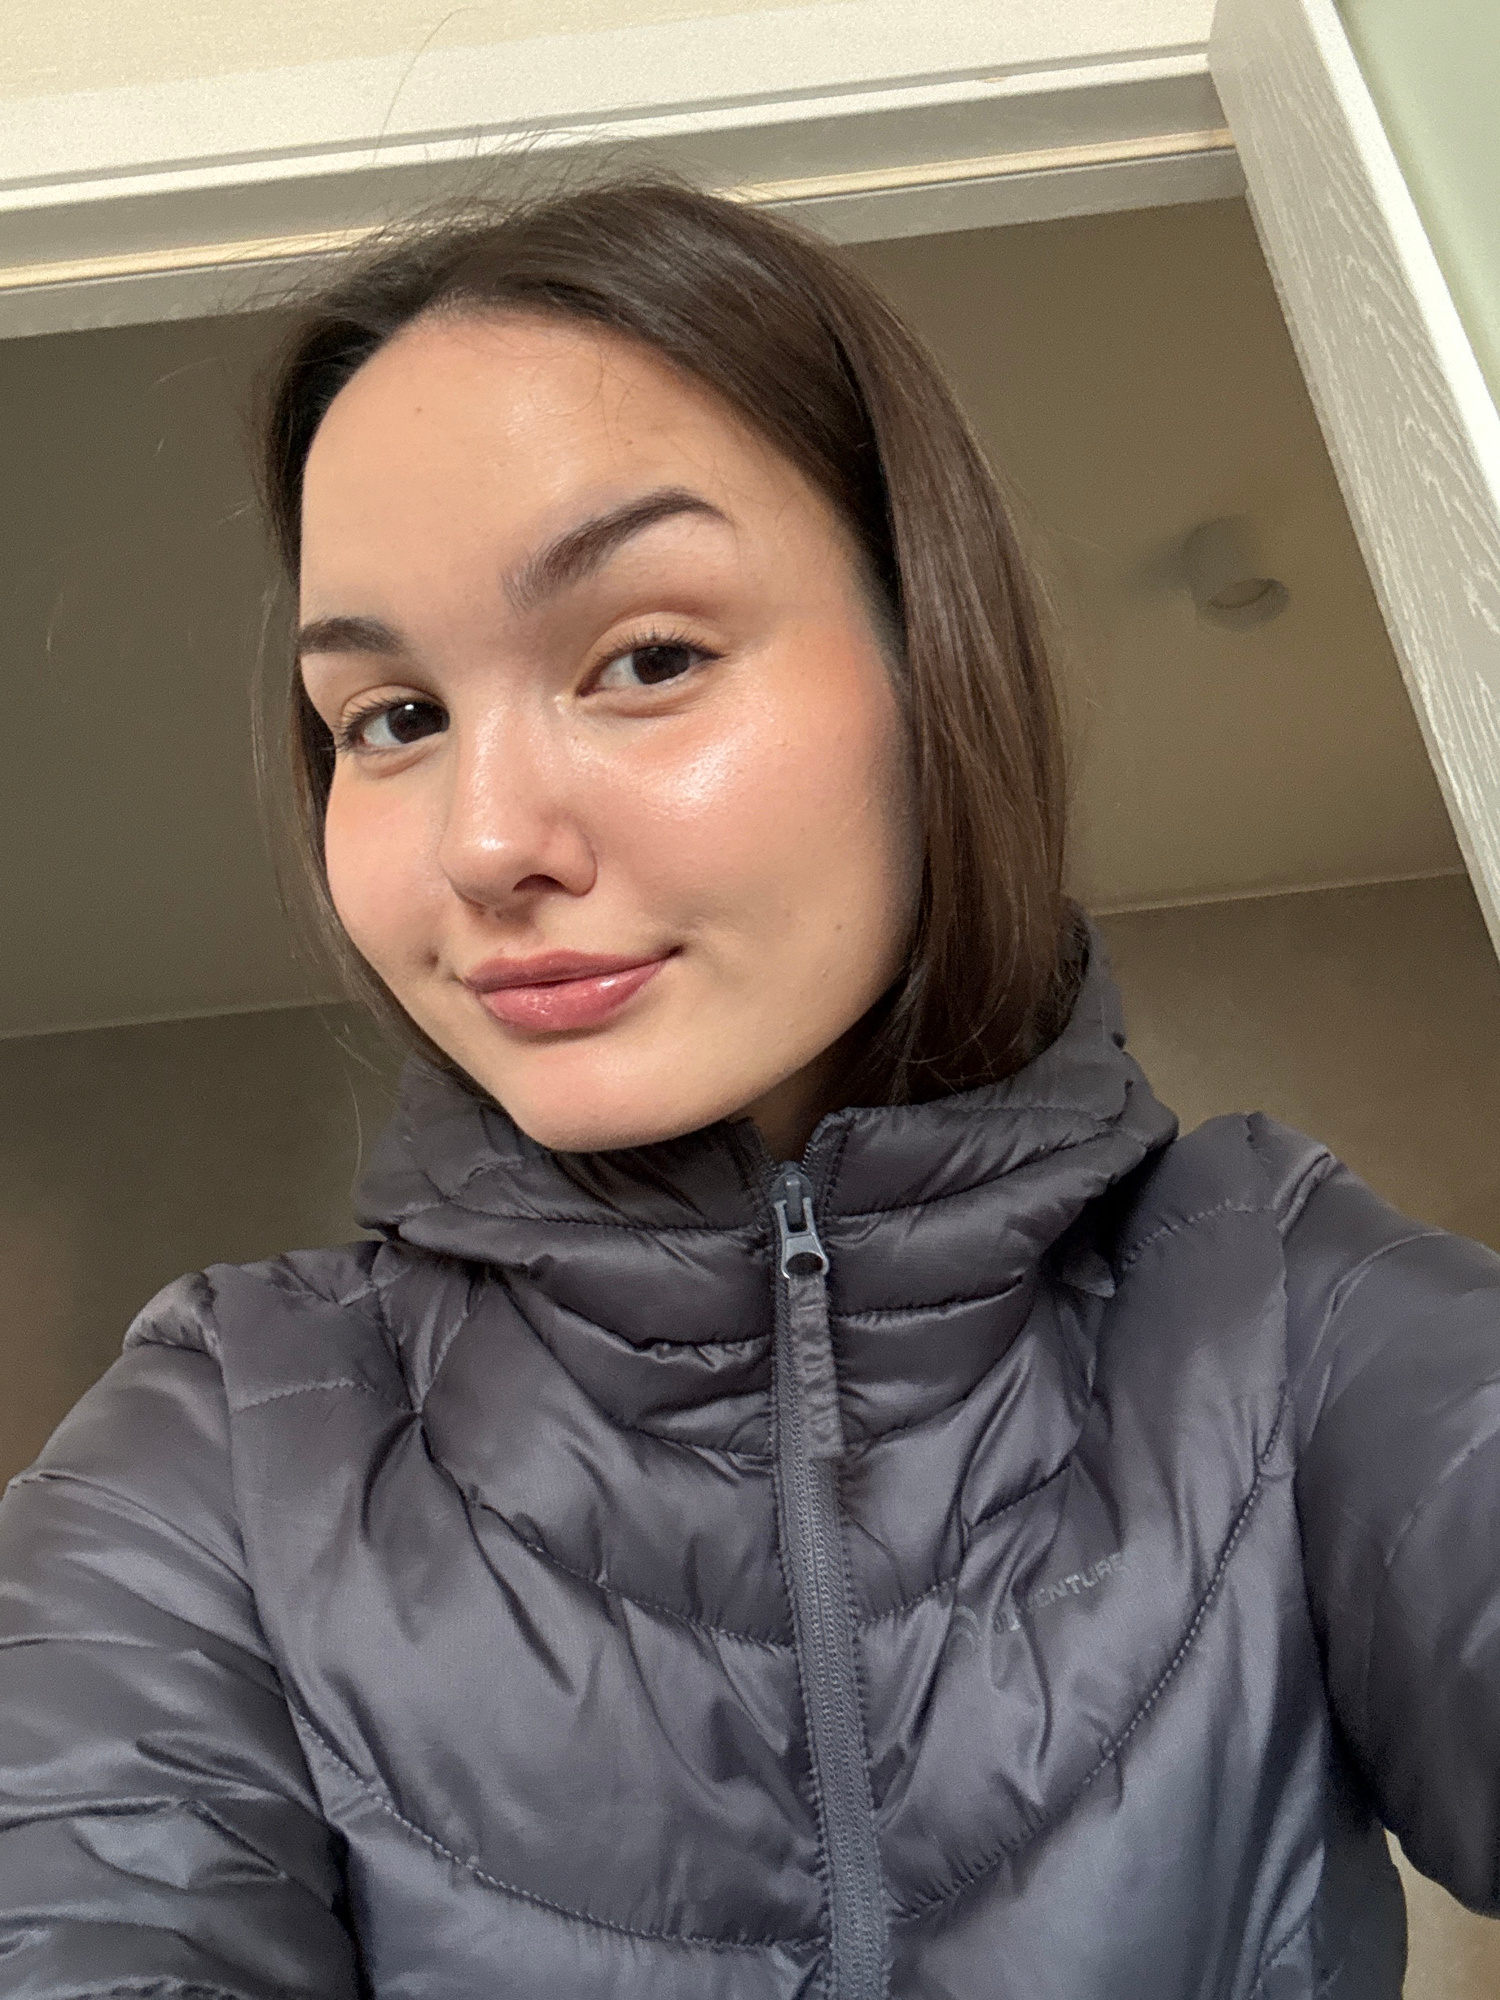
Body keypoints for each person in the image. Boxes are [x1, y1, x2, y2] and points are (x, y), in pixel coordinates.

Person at [1, 176, 1497, 2000]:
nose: (480, 844)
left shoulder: (1284, 1311)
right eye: (392, 718)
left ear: (933, 661)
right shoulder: (225, 1444)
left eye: (646, 657)